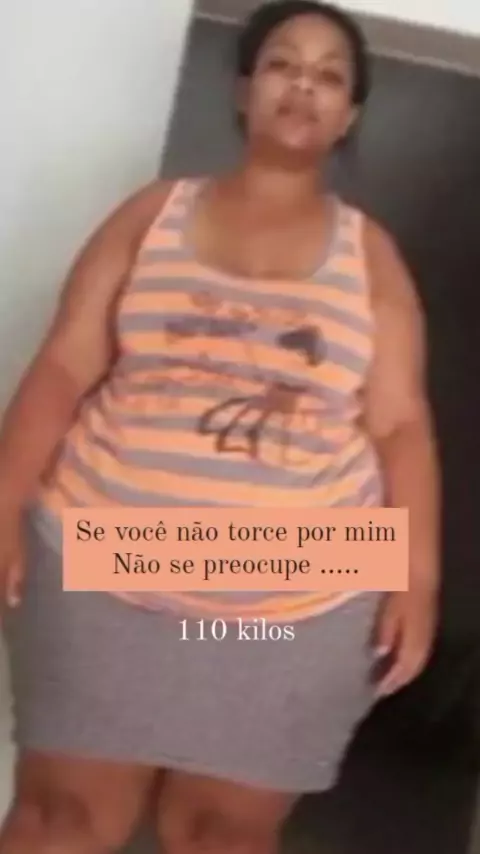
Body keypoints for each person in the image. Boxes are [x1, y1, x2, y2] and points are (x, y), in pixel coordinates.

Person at [0, 1, 440, 852]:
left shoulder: (371, 254)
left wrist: (415, 581)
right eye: (282, 64)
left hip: (303, 584)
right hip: (109, 550)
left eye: (329, 75)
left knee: (222, 836)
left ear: (348, 113)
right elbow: (62, 366)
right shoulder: (151, 214)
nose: (303, 85)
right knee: (63, 819)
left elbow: (400, 425)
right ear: (243, 90)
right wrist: (3, 499)